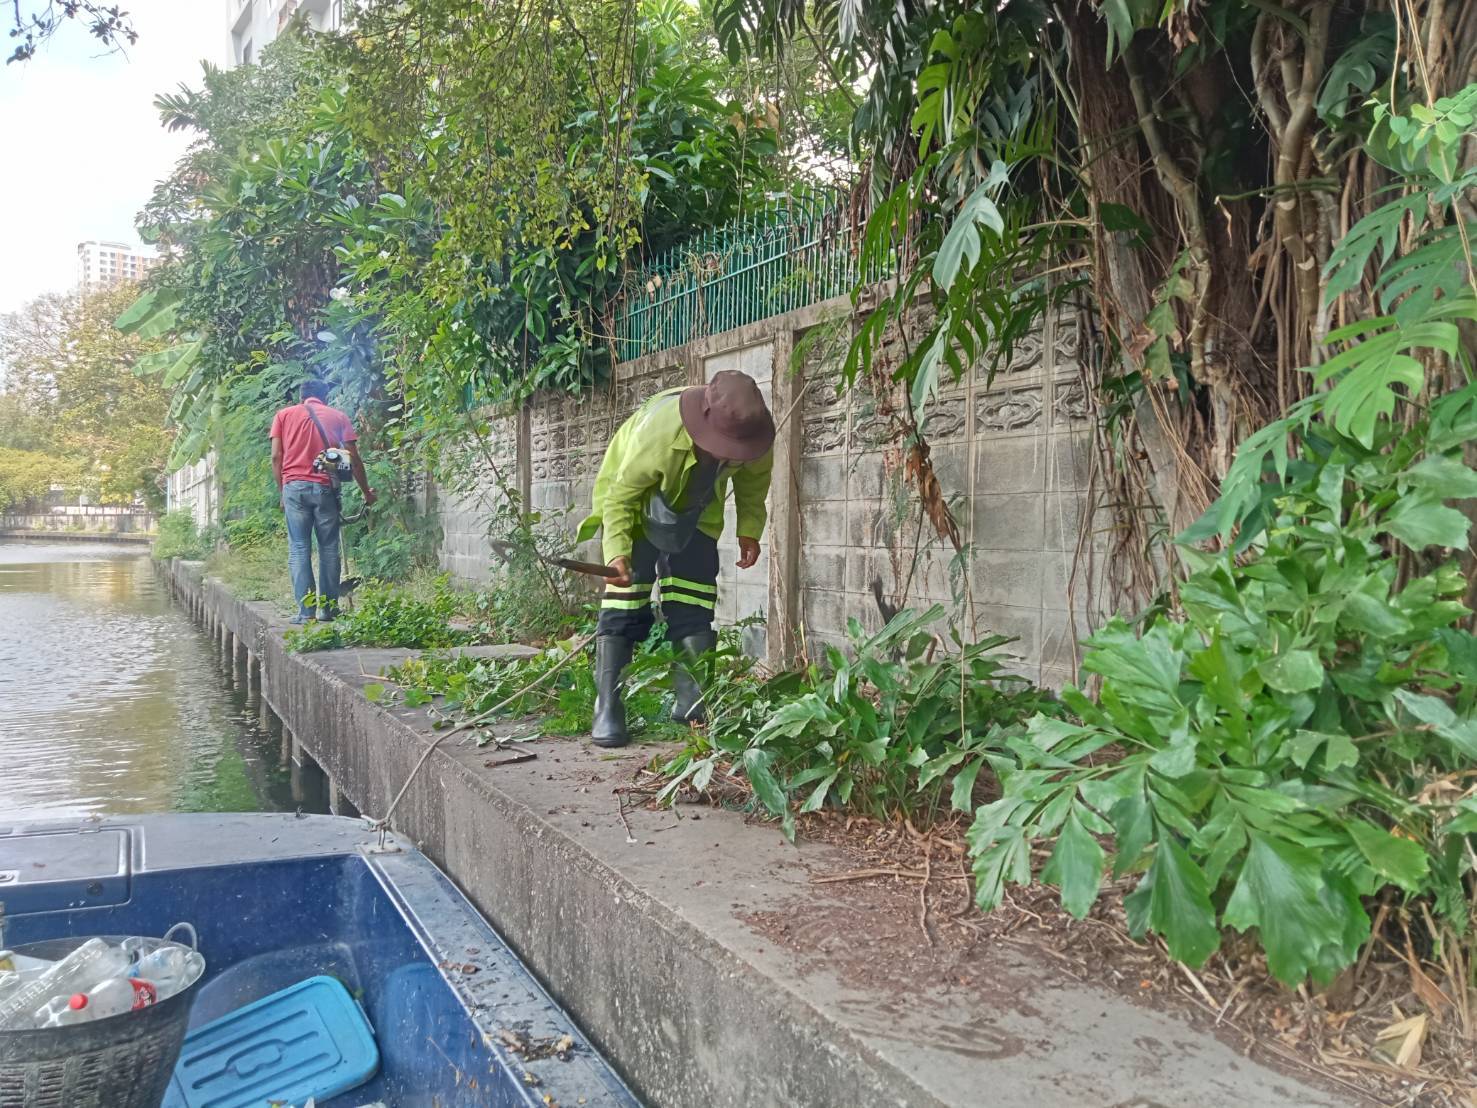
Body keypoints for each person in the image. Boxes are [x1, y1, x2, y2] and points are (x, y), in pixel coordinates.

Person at [576, 369, 775, 747]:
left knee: (694, 594)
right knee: (626, 599)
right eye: (723, 445)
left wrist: (749, 528)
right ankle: (608, 707)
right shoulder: (659, 435)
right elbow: (620, 498)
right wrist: (616, 554)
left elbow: (753, 485)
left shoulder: (753, 432)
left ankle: (692, 703)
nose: (730, 454)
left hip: (697, 512)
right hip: (634, 507)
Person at [269, 380, 376, 624]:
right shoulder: (338, 416)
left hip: (294, 488)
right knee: (328, 548)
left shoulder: (283, 416)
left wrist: (283, 491)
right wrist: (366, 493)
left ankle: (306, 613)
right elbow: (353, 459)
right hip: (326, 488)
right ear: (324, 397)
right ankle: (328, 610)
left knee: (299, 548)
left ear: (301, 397)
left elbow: (276, 456)